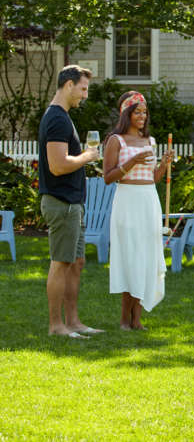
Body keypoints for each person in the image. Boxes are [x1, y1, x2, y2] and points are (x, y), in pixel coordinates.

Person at [39, 65, 102, 338]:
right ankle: (56, 326)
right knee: (61, 262)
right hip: (61, 202)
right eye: (83, 88)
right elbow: (57, 165)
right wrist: (88, 156)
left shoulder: (63, 117)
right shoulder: (56, 119)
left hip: (73, 203)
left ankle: (74, 322)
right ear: (68, 85)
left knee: (76, 262)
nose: (85, 95)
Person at [103, 91, 174, 330]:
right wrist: (132, 162)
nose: (142, 116)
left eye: (145, 112)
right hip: (127, 201)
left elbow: (152, 179)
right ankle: (124, 319)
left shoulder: (150, 141)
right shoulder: (116, 140)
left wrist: (163, 164)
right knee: (129, 257)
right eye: (138, 112)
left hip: (148, 201)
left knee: (145, 258)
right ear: (127, 114)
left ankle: (137, 319)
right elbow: (108, 177)